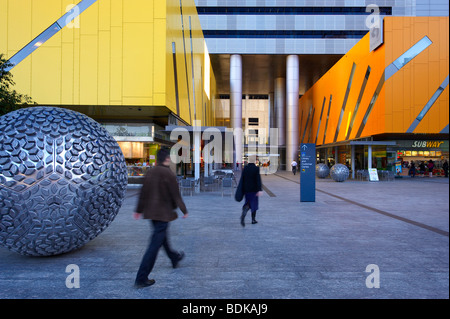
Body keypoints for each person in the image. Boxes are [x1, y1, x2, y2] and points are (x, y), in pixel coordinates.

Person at [133, 148, 188, 288]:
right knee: (154, 245)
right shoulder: (168, 173)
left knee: (162, 237)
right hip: (163, 213)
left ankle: (174, 257)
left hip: (151, 213)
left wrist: (138, 210)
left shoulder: (150, 172)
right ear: (167, 159)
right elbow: (176, 194)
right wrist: (184, 210)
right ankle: (141, 277)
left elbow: (143, 193)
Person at [239, 156, 263, 227]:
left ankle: (244, 211)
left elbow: (242, 179)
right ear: (255, 161)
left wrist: (242, 188)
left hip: (247, 189)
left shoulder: (245, 168)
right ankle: (253, 220)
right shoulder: (256, 168)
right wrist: (259, 189)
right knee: (254, 204)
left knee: (248, 202)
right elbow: (258, 179)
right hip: (254, 190)